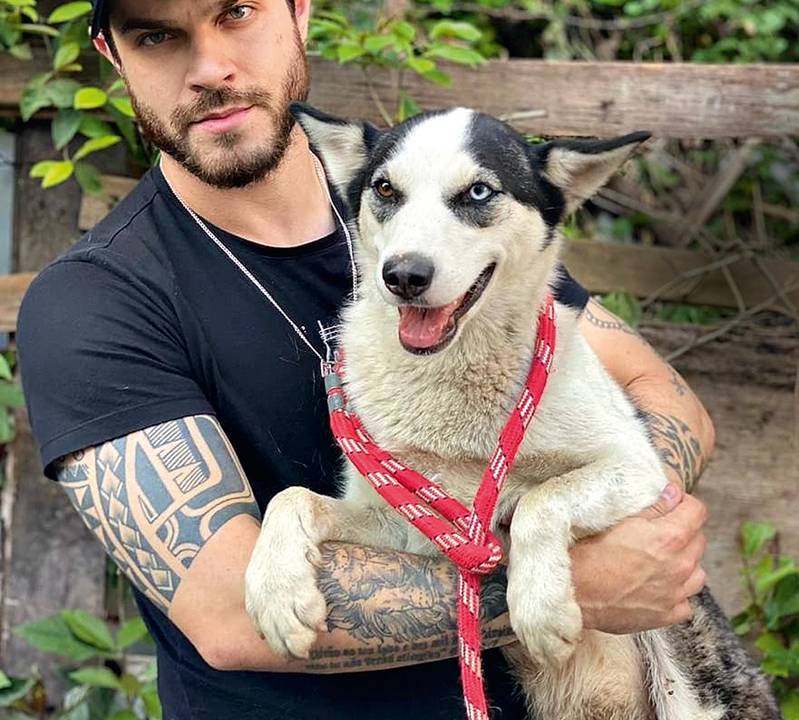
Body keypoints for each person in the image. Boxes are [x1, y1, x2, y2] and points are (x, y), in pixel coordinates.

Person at [16, 1, 714, 718]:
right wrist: (580, 580)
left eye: (237, 12)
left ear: (300, 12)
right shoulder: (93, 304)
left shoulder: (449, 222)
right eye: (156, 35)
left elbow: (655, 390)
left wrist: (611, 514)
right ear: (110, 53)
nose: (209, 69)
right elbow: (227, 613)